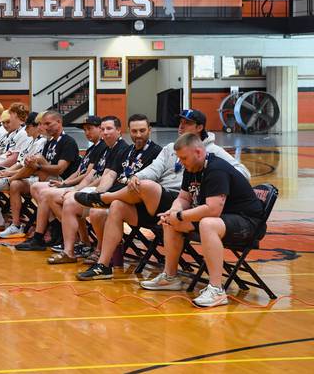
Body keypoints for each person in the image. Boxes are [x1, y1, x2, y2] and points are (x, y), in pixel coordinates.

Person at [73, 109, 251, 280]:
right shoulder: (170, 148)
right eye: (180, 122)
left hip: (185, 203)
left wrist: (212, 182)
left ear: (199, 127)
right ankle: (103, 265)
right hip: (164, 205)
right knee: (119, 205)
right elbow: (154, 169)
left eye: (187, 123)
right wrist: (137, 176)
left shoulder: (212, 152)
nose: (181, 127)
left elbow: (243, 173)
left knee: (146, 186)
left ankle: (104, 198)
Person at [140, 133, 265, 308]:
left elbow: (213, 209)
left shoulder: (216, 169)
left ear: (198, 152)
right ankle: (170, 277)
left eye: (184, 158)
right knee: (170, 222)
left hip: (247, 223)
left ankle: (217, 290)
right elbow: (183, 198)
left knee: (207, 224)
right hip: (223, 219)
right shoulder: (191, 168)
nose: (181, 162)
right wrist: (174, 211)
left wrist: (182, 216)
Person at [17, 115, 130, 252]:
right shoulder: (101, 148)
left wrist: (73, 188)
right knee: (45, 192)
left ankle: (75, 239)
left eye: (108, 129)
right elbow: (88, 174)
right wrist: (69, 186)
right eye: (103, 129)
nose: (88, 132)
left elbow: (95, 176)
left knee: (54, 197)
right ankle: (64, 234)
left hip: (105, 193)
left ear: (119, 130)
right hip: (89, 187)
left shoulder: (115, 148)